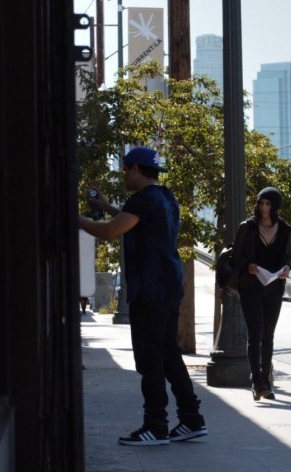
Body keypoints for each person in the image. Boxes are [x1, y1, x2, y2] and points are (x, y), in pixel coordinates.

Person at [79, 147, 206, 446]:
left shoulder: (142, 200)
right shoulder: (165, 197)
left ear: (136, 169)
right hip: (168, 287)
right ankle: (191, 419)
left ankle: (156, 426)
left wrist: (76, 220)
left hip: (150, 289)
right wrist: (108, 206)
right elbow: (129, 220)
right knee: (169, 355)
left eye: (125, 169)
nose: (124, 174)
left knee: (150, 360)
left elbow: (111, 231)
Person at [232, 187, 291, 401]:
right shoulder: (247, 228)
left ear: (275, 206)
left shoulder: (284, 229)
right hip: (251, 286)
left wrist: (286, 268)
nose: (264, 208)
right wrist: (248, 265)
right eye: (261, 203)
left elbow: (288, 256)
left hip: (274, 287)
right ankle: (257, 381)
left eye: (268, 204)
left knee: (268, 336)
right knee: (255, 334)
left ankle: (266, 380)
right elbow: (236, 256)